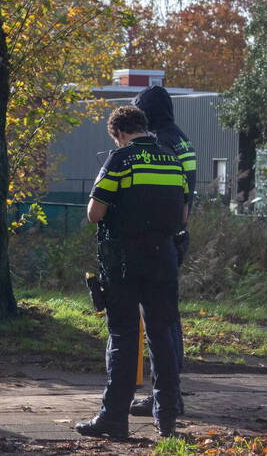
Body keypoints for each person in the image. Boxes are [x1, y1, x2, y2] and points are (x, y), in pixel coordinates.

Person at [75, 105, 189, 439]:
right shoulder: (173, 160)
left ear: (120, 133)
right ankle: (166, 420)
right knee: (162, 335)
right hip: (164, 259)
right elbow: (182, 216)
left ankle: (113, 419)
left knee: (124, 336)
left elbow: (95, 213)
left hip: (124, 261)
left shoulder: (119, 160)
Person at [129, 85, 196, 418]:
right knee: (169, 315)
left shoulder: (161, 142)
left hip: (159, 239)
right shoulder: (181, 137)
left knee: (158, 320)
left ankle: (165, 394)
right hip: (177, 235)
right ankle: (169, 392)